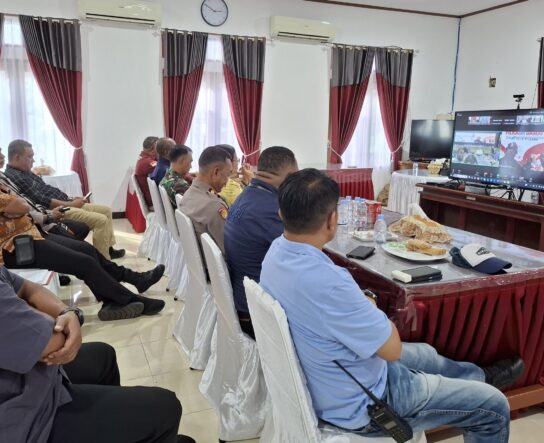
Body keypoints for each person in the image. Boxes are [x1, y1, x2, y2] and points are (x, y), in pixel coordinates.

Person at [0, 136, 195, 443]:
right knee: (165, 406)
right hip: (21, 420)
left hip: (26, 385)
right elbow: (54, 342)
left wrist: (66, 311)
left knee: (102, 356)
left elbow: (23, 287)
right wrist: (67, 321)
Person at [260, 168, 525, 441]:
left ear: (281, 214)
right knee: (494, 406)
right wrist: (371, 307)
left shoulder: (275, 253)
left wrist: (361, 305)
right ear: (332, 220)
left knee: (425, 353)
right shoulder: (329, 283)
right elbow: (392, 349)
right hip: (368, 403)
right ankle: (481, 389)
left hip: (331, 376)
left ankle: (478, 377)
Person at [0, 137, 165, 322]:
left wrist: (17, 206)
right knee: (83, 262)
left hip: (29, 234)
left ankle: (131, 284)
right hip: (13, 247)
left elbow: (21, 204)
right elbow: (21, 205)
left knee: (87, 251)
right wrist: (17, 206)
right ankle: (126, 300)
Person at [4, 139, 125, 260]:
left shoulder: (25, 172)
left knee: (106, 210)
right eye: (30, 157)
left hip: (66, 202)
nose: (33, 160)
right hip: (56, 210)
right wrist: (72, 203)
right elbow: (44, 201)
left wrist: (71, 198)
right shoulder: (16, 177)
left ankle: (108, 248)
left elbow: (47, 189)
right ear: (17, 157)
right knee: (101, 220)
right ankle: (103, 260)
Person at [224, 146, 298, 339]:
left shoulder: (246, 196)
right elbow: (299, 258)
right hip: (257, 312)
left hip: (241, 297)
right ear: (290, 176)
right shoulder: (273, 210)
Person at [0, 135, 90, 241]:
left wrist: (69, 199)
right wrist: (52, 214)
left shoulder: (2, 176)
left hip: (41, 219)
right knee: (89, 241)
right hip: (32, 229)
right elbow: (28, 205)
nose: (2, 155)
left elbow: (42, 192)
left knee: (83, 236)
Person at [179, 146, 232, 254]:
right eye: (227, 175)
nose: (227, 182)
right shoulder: (213, 206)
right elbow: (229, 250)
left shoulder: (189, 193)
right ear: (215, 172)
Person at [135, 135, 159, 209]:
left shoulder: (143, 158)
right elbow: (168, 170)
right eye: (159, 148)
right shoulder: (148, 162)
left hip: (152, 198)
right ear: (152, 149)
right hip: (154, 202)